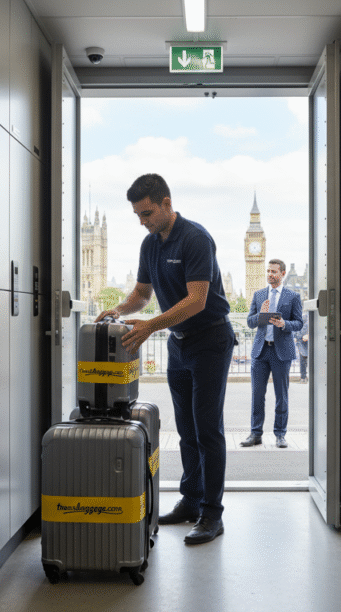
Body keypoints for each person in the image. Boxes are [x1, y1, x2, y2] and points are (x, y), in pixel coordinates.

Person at [96, 173, 235, 545]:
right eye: (138, 215)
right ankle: (191, 501)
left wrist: (150, 326)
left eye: (147, 213)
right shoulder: (150, 244)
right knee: (186, 430)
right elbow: (142, 294)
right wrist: (118, 310)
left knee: (207, 430)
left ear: (166, 203)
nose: (142, 221)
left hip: (210, 341)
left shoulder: (195, 238)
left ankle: (212, 514)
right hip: (179, 343)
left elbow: (197, 300)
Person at [241, 259, 303, 448]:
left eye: (274, 271)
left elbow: (299, 323)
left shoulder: (293, 296)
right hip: (261, 352)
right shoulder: (259, 295)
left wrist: (284, 324)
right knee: (257, 395)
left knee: (281, 396)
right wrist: (260, 315)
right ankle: (255, 434)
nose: (270, 274)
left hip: (281, 353)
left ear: (282, 274)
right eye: (268, 271)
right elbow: (250, 322)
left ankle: (280, 434)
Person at [295, 314, 309, 382]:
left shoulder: (308, 317)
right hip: (302, 342)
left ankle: (304, 377)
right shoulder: (304, 316)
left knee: (305, 361)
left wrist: (309, 335)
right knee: (303, 360)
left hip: (308, 342)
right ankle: (303, 377)